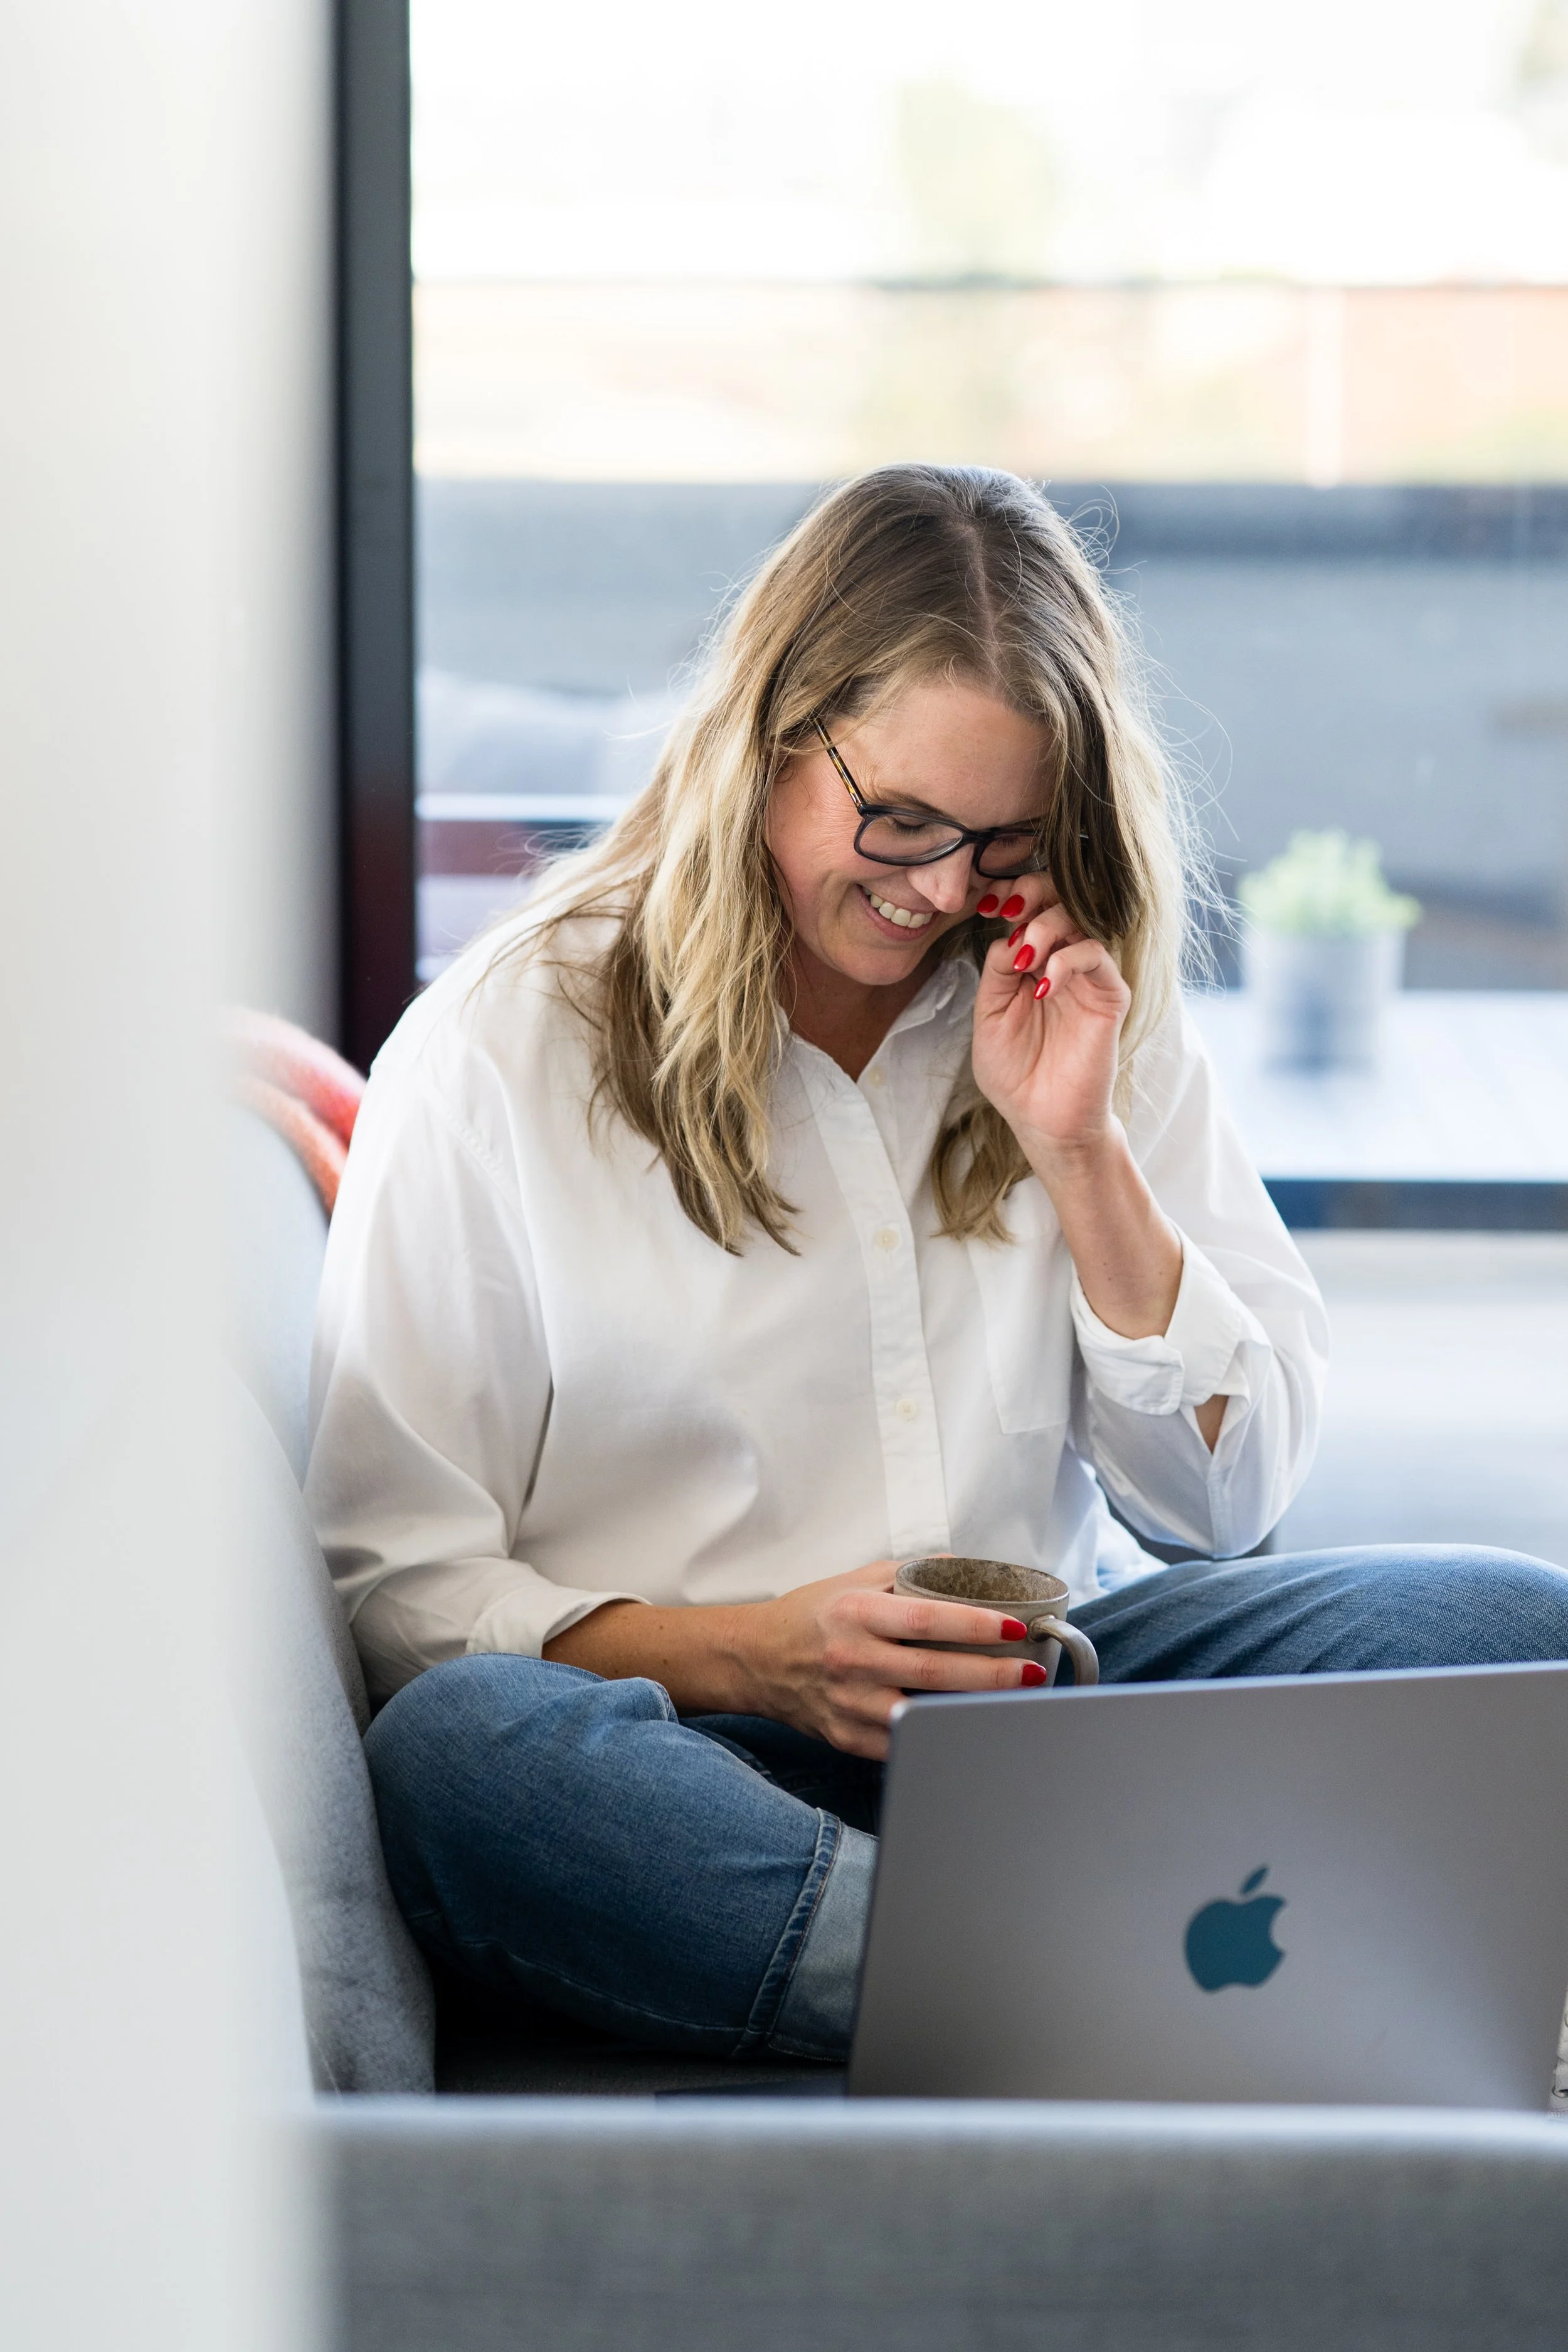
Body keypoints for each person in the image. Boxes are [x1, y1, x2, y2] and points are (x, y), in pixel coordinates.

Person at [307, 465, 1568, 2065]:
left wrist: (1078, 1147)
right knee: (462, 1757)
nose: (935, 892)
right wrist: (758, 1652)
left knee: (1512, 1624)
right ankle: (1084, 2000)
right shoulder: (505, 1045)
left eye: (1001, 840)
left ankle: (1025, 1971)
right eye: (896, 820)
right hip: (699, 1764)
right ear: (767, 742)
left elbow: (1222, 1508)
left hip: (1046, 1724)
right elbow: (398, 1585)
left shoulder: (1071, 1009)